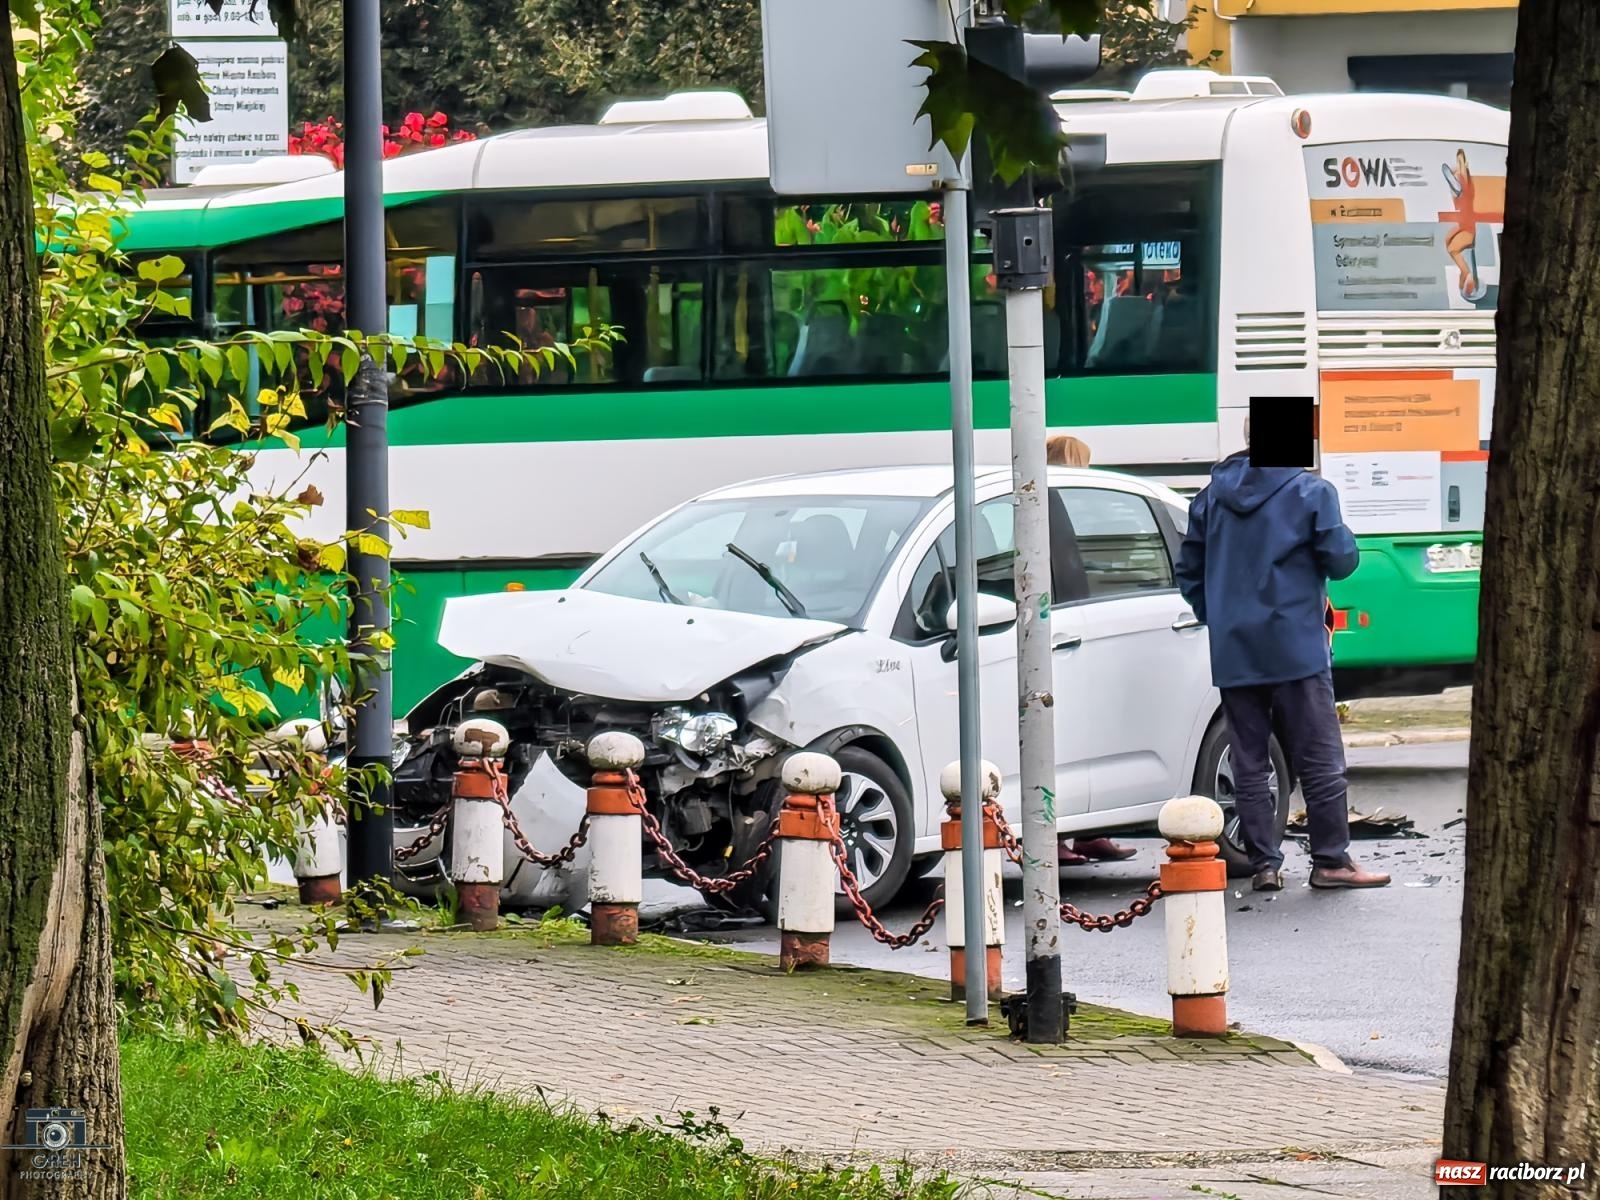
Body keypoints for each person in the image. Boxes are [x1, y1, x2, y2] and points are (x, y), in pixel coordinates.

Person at [1174, 422, 1390, 891]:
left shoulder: (1210, 497)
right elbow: (1342, 561)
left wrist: (1221, 616)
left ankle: (1264, 865)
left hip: (1235, 647)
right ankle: (1330, 861)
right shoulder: (1312, 492)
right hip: (1296, 644)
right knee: (1319, 756)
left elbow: (1188, 570)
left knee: (1249, 758)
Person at [1044, 432, 1138, 866]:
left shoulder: (1062, 504)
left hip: (1080, 627)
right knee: (1063, 737)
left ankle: (1088, 831)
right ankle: (1058, 835)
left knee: (1082, 734)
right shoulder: (1058, 503)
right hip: (1065, 632)